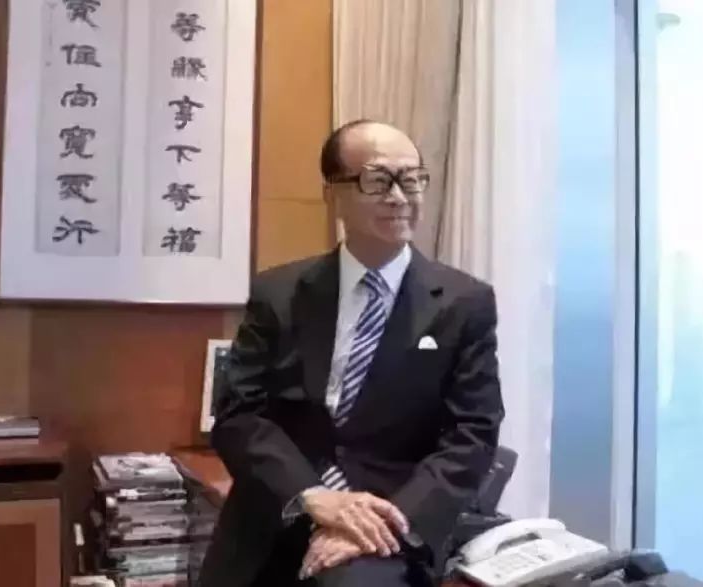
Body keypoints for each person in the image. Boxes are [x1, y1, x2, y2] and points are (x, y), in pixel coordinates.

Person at [200, 120, 503, 587]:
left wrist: (384, 522)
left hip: (389, 520)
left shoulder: (464, 303)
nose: (399, 197)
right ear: (333, 194)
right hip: (281, 507)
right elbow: (238, 415)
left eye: (412, 179)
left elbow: (473, 434)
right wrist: (312, 496)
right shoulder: (279, 293)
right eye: (378, 181)